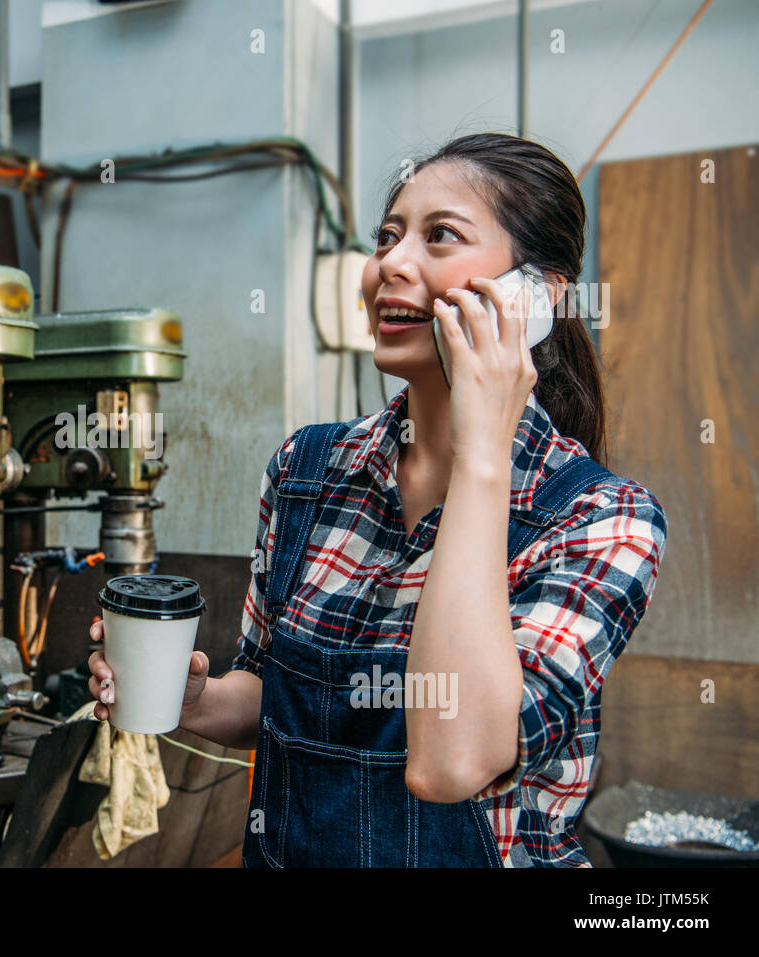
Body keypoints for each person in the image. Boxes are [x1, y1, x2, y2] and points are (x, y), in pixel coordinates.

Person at [86, 132, 668, 867]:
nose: (391, 263)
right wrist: (195, 701)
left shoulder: (602, 519)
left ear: (538, 297)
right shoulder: (306, 469)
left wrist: (484, 449)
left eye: (440, 236)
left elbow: (449, 762)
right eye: (388, 237)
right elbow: (276, 695)